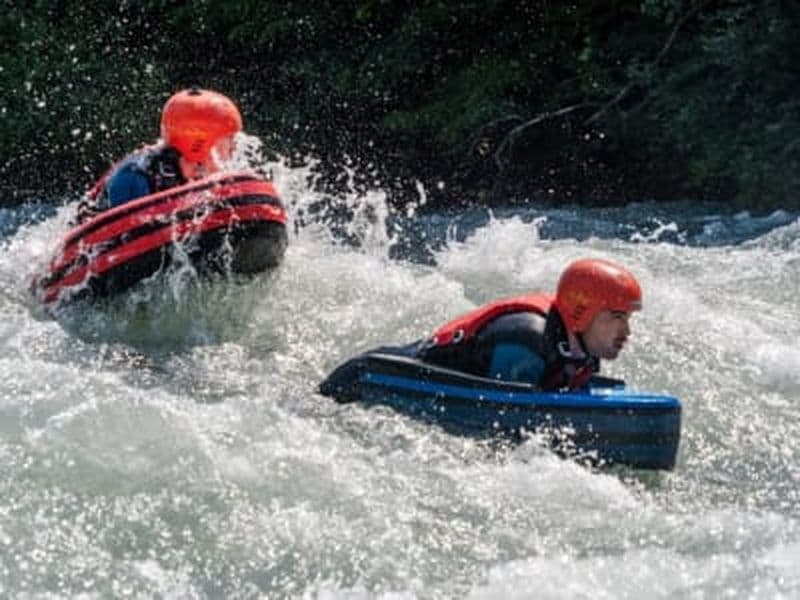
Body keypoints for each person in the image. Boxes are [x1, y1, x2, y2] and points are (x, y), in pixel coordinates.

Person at [414, 257, 642, 391]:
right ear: (582, 314)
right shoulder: (525, 344)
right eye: (617, 317)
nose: (627, 331)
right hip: (416, 371)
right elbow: (501, 418)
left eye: (628, 318)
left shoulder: (583, 344)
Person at [76, 87, 243, 222]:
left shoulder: (199, 173)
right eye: (229, 138)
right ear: (200, 141)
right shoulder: (136, 176)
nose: (235, 147)